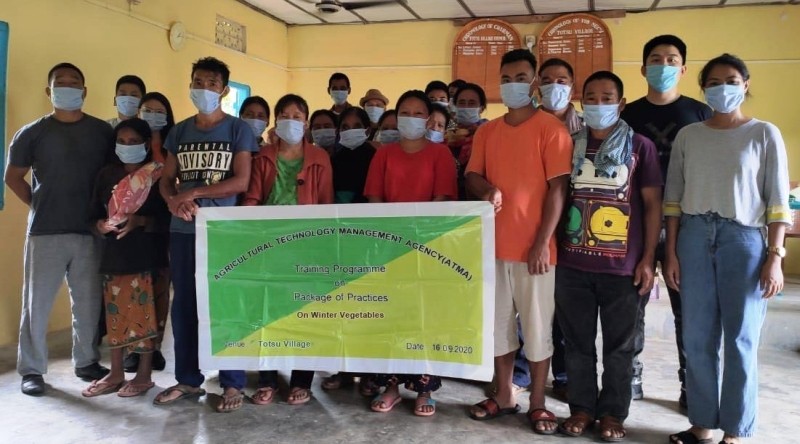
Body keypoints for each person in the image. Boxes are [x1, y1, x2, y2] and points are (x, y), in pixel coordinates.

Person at [664, 54, 789, 444]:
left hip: (744, 241)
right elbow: (673, 199)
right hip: (693, 237)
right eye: (715, 81)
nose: (723, 88)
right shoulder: (689, 135)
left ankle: (735, 429)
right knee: (697, 338)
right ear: (703, 88)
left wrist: (775, 256)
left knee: (740, 338)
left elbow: (777, 201)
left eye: (732, 80)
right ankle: (701, 423)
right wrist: (670, 253)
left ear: (746, 84)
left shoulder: (764, 133)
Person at [465, 49, 572, 436]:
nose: (513, 83)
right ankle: (505, 394)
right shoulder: (487, 131)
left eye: (521, 76)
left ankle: (539, 403)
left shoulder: (550, 129)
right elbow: (472, 175)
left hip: (536, 252)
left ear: (534, 82)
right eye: (506, 77)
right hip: (492, 246)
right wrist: (486, 188)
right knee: (498, 328)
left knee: (538, 328)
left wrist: (543, 242)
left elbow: (558, 189)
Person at [555, 71, 662, 442]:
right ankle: (583, 409)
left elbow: (652, 206)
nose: (598, 104)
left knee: (621, 347)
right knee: (577, 344)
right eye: (592, 97)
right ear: (582, 102)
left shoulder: (641, 147)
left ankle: (613, 414)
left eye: (607, 97)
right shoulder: (568, 145)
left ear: (621, 104)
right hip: (571, 265)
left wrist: (648, 258)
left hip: (623, 268)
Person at [154, 57, 258, 413]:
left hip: (221, 231)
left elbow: (241, 181)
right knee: (184, 304)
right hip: (183, 228)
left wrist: (193, 193)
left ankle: (232, 382)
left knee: (224, 303)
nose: (204, 88)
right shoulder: (179, 131)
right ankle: (187, 379)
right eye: (198, 81)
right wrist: (172, 202)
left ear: (224, 90)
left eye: (212, 83)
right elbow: (167, 180)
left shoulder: (237, 130)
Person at [5, 62, 113, 396]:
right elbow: (13, 177)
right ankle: (32, 370)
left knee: (87, 303)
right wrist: (39, 205)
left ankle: (85, 361)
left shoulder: (102, 133)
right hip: (45, 233)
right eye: (59, 83)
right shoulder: (32, 133)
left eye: (74, 83)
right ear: (48, 91)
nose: (67, 87)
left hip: (88, 233)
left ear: (84, 91)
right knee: (36, 305)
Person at [620, 35, 712, 406]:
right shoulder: (628, 115)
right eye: (656, 59)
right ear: (644, 69)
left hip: (685, 224)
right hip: (634, 224)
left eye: (672, 59)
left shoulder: (701, 113)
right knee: (631, 308)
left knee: (687, 310)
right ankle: (629, 378)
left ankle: (692, 386)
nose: (663, 65)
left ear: (684, 69)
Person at [363, 90, 458, 417]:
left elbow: (443, 197)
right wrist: (392, 233)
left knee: (423, 318)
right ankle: (390, 386)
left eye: (419, 113)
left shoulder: (440, 154)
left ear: (428, 119)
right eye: (406, 111)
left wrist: (415, 235)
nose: (412, 118)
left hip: (427, 248)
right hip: (388, 247)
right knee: (390, 316)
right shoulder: (383, 154)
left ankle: (424, 389)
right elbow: (374, 197)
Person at [242, 93, 333, 406]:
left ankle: (301, 380)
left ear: (305, 123)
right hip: (269, 244)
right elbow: (252, 199)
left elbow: (325, 205)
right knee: (268, 312)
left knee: (304, 311)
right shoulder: (262, 156)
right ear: (276, 121)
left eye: (297, 116)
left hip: (306, 246)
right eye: (285, 115)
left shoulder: (320, 158)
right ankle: (267, 379)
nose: (290, 121)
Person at [83, 118, 169, 398]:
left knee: (145, 316)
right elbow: (92, 215)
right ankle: (116, 372)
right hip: (114, 256)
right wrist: (99, 226)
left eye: (134, 142)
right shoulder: (107, 175)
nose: (128, 146)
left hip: (147, 256)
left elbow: (167, 218)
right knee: (116, 317)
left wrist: (139, 220)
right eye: (123, 141)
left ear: (146, 144)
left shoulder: (157, 175)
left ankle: (144, 375)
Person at [536, 57, 584, 400]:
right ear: (537, 85)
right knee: (531, 308)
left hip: (573, 228)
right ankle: (523, 372)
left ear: (572, 86)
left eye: (562, 79)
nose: (555, 85)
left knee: (565, 308)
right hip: (530, 227)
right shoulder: (525, 124)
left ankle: (565, 375)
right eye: (548, 79)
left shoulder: (586, 128)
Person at [122, 92, 175, 374]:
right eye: (147, 110)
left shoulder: (172, 147)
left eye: (159, 110)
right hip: (134, 227)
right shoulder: (131, 146)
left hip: (164, 225)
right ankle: (134, 349)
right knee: (134, 290)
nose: (153, 115)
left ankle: (154, 349)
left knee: (160, 290)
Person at [447, 82, 488, 200]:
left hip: (481, 199)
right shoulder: (446, 135)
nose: (466, 107)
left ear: (481, 108)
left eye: (472, 103)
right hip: (451, 200)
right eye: (461, 103)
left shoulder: (490, 134)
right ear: (455, 106)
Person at [331, 107, 376, 204]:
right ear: (339, 131)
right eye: (345, 127)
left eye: (357, 126)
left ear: (368, 131)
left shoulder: (376, 158)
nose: (350, 131)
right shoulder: (334, 160)